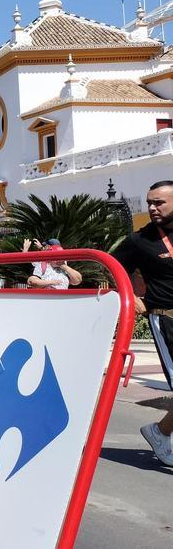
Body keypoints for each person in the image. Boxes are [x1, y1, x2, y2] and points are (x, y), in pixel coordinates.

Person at [113, 180, 173, 467]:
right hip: (166, 319)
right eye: (150, 202)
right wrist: (131, 297)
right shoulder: (141, 240)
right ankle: (160, 432)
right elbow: (111, 267)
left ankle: (160, 431)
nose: (152, 207)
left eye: (159, 202)